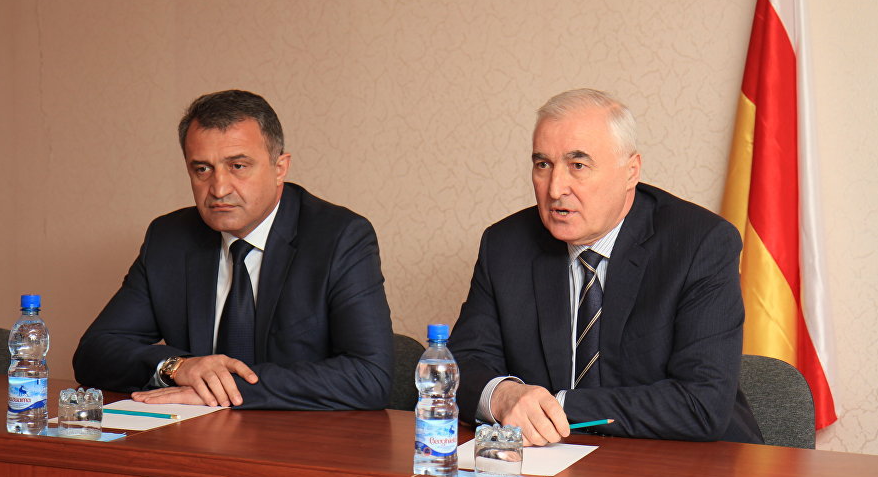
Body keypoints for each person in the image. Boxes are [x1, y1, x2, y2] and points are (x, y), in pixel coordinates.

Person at [449, 89, 763, 445]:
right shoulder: (506, 245)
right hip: (552, 463)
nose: (555, 189)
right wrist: (503, 396)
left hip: (689, 462)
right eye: (543, 165)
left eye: (578, 166)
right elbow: (458, 365)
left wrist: (557, 406)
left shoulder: (699, 244)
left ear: (631, 172)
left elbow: (701, 403)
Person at [73, 90, 393, 410]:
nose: (219, 188)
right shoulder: (169, 238)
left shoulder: (339, 237)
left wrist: (224, 388)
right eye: (202, 169)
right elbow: (94, 353)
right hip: (195, 431)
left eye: (238, 166)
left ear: (280, 167)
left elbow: (369, 376)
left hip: (297, 434)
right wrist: (178, 367)